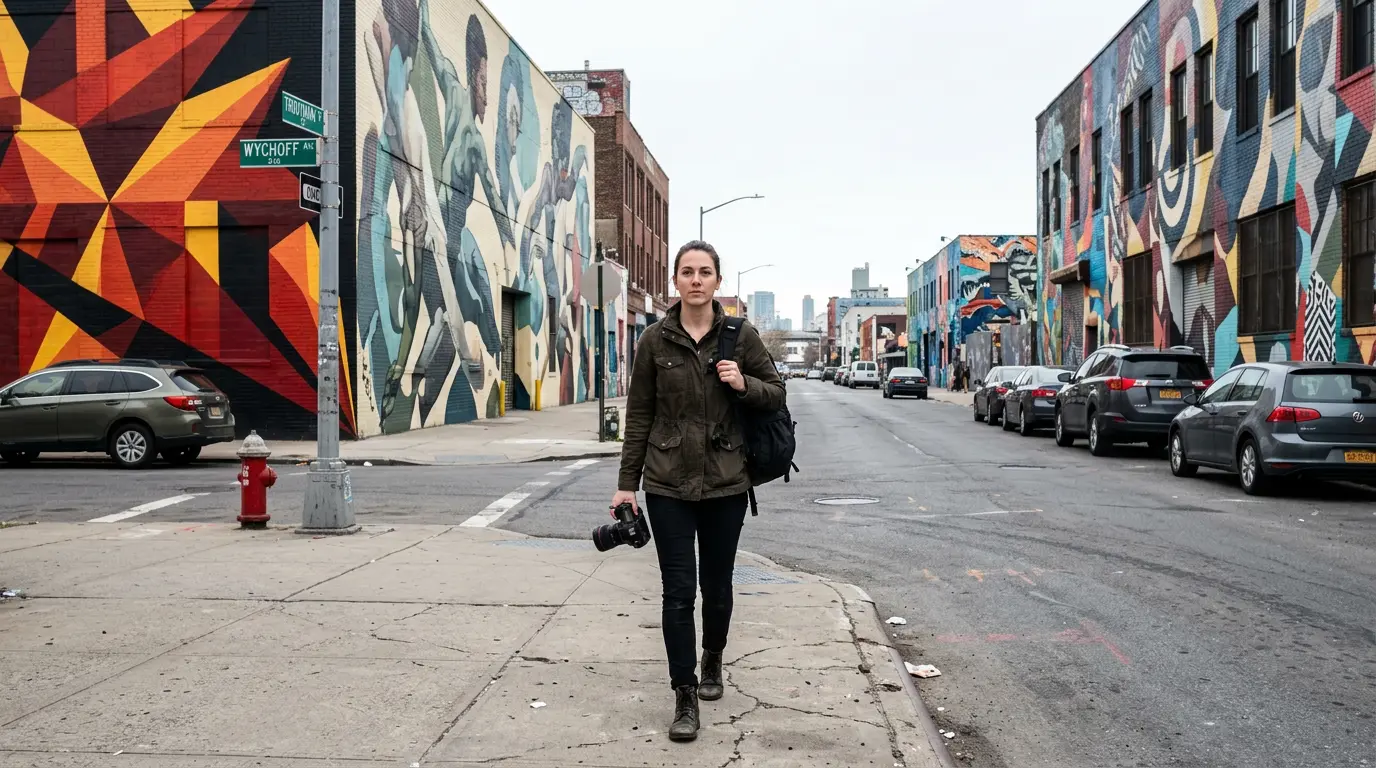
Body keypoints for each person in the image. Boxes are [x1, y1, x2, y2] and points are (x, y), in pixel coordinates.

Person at [612, 240, 785, 742]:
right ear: (675, 281)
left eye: (704, 272)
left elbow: (777, 393)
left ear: (717, 282)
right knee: (678, 591)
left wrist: (743, 384)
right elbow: (639, 416)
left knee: (717, 585)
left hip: (726, 481)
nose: (695, 280)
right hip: (667, 482)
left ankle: (713, 658)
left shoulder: (740, 336)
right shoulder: (654, 340)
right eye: (686, 271)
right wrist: (626, 486)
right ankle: (684, 694)